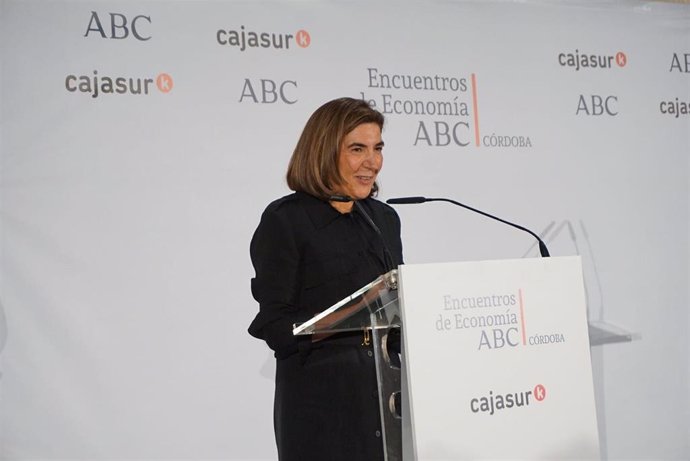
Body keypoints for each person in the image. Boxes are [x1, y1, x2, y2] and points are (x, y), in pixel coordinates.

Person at [248, 97, 403, 461]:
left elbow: (396, 305)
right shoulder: (286, 220)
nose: (373, 162)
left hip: (388, 398)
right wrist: (347, 315)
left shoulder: (384, 220)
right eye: (357, 149)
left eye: (377, 148)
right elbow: (275, 326)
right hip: (322, 407)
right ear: (324, 151)